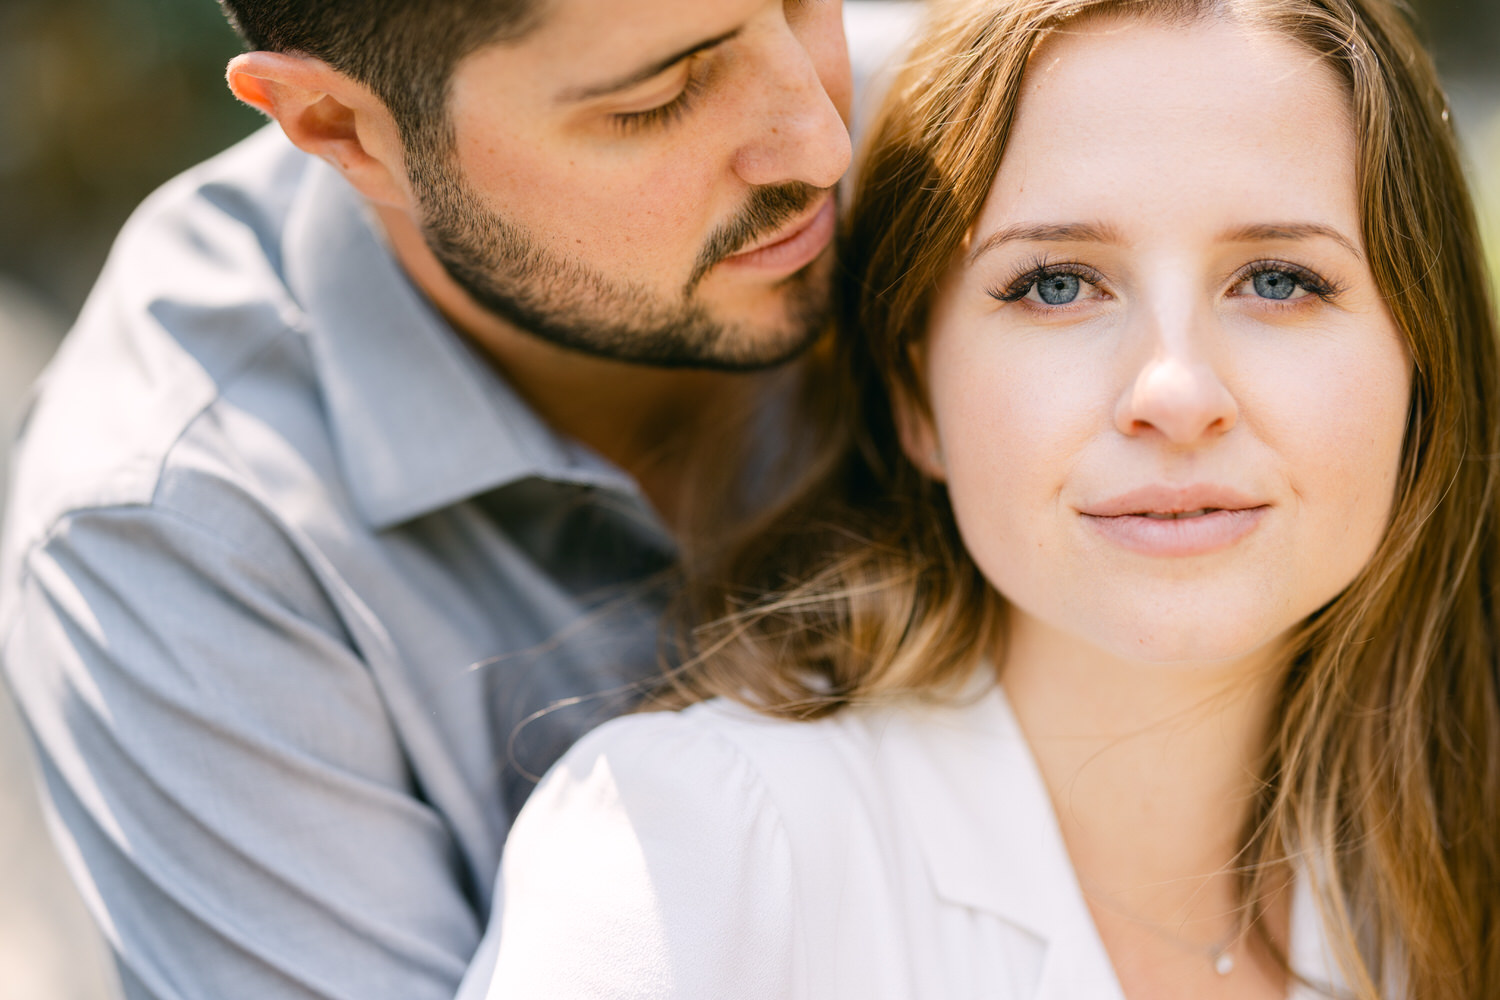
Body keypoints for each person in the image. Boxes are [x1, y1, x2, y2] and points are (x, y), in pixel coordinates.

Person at [476, 0, 1500, 997]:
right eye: (1057, 284)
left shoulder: (1455, 877)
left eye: (1278, 279)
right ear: (916, 395)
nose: (1177, 394)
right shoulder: (692, 858)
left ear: (1425, 365)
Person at [0, 1, 921, 998]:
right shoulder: (176, 528)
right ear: (338, 127)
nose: (824, 143)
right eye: (657, 99)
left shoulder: (983, 119)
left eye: (800, 6)